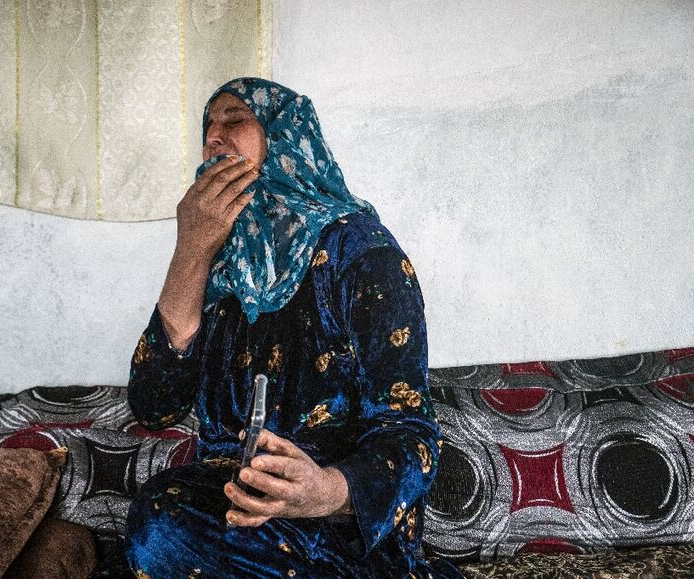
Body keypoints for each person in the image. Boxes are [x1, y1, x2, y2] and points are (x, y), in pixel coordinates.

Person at [124, 78, 461, 578]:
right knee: (160, 521)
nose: (214, 137)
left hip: (335, 527)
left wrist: (324, 490)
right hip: (234, 513)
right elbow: (153, 406)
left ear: (284, 138)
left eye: (234, 118)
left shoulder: (363, 255)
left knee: (162, 534)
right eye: (208, 126)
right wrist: (189, 254)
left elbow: (411, 435)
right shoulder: (220, 266)